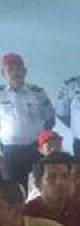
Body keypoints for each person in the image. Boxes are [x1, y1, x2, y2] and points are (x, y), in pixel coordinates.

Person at [0, 53, 55, 189]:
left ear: (25, 71)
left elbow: (50, 119)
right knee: (12, 188)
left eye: (19, 69)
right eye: (10, 70)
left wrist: (43, 142)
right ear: (3, 73)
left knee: (38, 186)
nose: (15, 73)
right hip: (10, 150)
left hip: (35, 148)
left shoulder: (38, 93)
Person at [23, 152, 80, 226]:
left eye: (65, 176)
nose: (60, 182)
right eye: (52, 177)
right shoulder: (28, 214)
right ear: (38, 184)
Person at [26, 129, 64, 201]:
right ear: (40, 149)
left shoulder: (71, 167)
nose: (54, 149)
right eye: (49, 145)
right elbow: (34, 194)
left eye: (57, 144)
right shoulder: (35, 173)